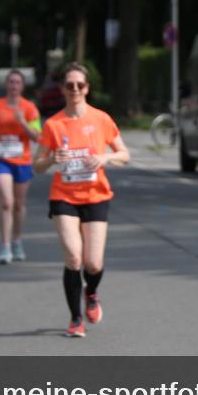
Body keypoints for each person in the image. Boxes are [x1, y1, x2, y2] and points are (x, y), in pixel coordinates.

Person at [33, 62, 129, 337]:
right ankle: (76, 318)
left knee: (93, 264)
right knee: (74, 258)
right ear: (62, 89)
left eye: (80, 85)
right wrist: (52, 158)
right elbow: (36, 165)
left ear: (87, 88)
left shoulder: (101, 119)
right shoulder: (53, 124)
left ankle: (92, 292)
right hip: (63, 196)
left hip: (96, 195)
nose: (74, 89)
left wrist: (105, 158)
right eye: (69, 85)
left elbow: (124, 154)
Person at [0, 70, 41, 264]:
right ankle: (5, 246)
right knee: (6, 202)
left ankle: (17, 240)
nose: (14, 86)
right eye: (11, 82)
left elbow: (37, 137)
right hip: (0, 159)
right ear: (6, 85)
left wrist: (23, 122)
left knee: (18, 205)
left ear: (22, 86)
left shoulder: (30, 108)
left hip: (22, 160)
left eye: (17, 82)